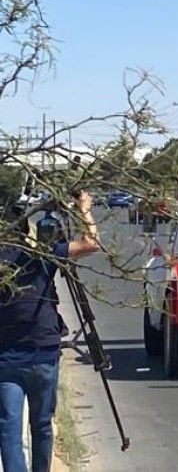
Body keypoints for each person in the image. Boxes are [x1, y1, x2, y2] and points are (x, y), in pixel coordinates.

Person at [0, 189, 101, 472]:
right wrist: (84, 209)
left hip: (7, 359)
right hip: (43, 353)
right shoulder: (42, 253)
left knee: (8, 429)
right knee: (42, 425)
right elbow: (92, 243)